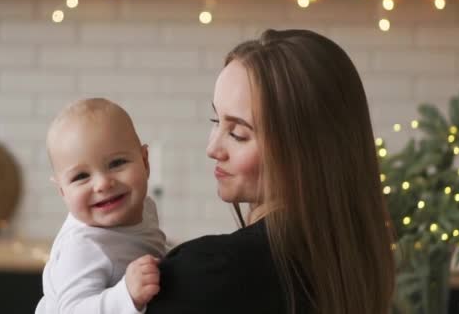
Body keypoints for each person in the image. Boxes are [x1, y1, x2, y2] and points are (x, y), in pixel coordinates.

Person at [146, 29, 395, 314]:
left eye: (238, 133)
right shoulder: (360, 266)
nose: (213, 148)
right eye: (216, 120)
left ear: (303, 152)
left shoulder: (210, 271)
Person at [35, 98, 166, 314]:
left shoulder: (145, 208)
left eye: (117, 163)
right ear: (62, 192)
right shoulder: (83, 245)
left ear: (145, 162)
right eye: (81, 176)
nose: (103, 184)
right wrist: (125, 294)